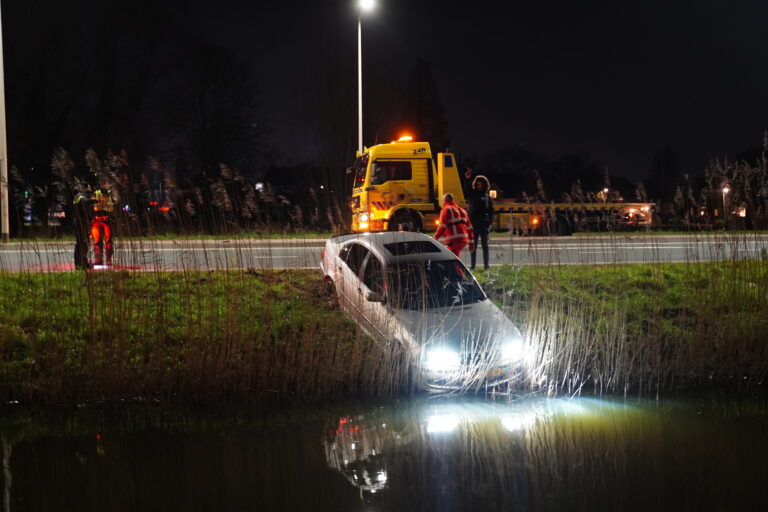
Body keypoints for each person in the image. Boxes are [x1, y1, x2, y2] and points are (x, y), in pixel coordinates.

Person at [466, 173, 494, 270]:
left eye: (482, 184)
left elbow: (491, 211)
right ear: (475, 185)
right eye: (478, 184)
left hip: (484, 224)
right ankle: (473, 266)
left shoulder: (488, 198)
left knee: (485, 246)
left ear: (485, 185)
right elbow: (468, 189)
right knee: (473, 246)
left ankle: (486, 266)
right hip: (474, 224)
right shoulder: (473, 195)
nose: (480, 186)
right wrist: (468, 178)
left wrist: (489, 222)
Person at [434, 192, 474, 258]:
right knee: (455, 257)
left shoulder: (446, 209)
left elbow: (442, 227)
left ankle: (459, 268)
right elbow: (469, 227)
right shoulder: (462, 210)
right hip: (463, 239)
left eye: (442, 201)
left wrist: (435, 239)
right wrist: (471, 242)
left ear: (445, 200)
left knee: (452, 259)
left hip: (454, 239)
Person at [90, 180, 117, 266]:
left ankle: (108, 259)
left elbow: (116, 203)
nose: (104, 185)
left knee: (108, 240)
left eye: (106, 183)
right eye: (103, 183)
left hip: (107, 219)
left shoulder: (111, 194)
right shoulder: (96, 193)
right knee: (97, 240)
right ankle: (98, 259)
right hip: (97, 219)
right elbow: (91, 204)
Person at [72, 185, 93, 269]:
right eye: (88, 188)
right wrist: (94, 200)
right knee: (81, 244)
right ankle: (79, 264)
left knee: (84, 244)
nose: (89, 190)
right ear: (85, 188)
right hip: (80, 223)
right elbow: (84, 202)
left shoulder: (79, 196)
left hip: (82, 223)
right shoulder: (80, 196)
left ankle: (83, 262)